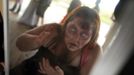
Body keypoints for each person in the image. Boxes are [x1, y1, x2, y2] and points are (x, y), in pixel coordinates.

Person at [11, 6, 101, 75]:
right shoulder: (55, 29)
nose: (76, 38)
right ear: (65, 25)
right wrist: (36, 41)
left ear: (92, 37)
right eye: (72, 30)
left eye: (84, 35)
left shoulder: (93, 50)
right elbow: (19, 43)